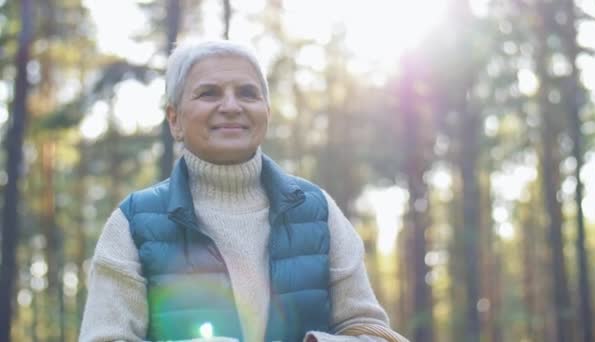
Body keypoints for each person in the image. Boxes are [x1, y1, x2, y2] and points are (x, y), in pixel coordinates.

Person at [79, 40, 408, 342]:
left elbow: (374, 333)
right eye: (209, 93)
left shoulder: (317, 210)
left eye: (248, 93)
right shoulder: (133, 223)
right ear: (174, 119)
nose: (231, 106)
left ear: (267, 111)